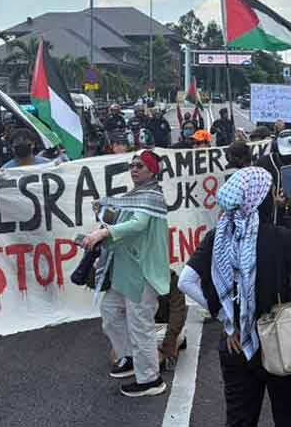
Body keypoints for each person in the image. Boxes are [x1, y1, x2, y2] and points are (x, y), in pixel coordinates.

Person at [178, 167, 291, 426]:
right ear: (261, 200)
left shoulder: (218, 236)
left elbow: (186, 281)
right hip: (280, 339)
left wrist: (228, 319)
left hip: (236, 344)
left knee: (240, 419)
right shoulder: (278, 237)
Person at [81, 150, 171, 397]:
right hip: (124, 272)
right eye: (132, 165)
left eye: (140, 166)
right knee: (110, 313)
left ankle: (150, 379)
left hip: (141, 273)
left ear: (153, 171)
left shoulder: (152, 197)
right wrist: (103, 212)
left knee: (140, 325)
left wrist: (104, 233)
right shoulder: (134, 196)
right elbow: (119, 219)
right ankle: (130, 357)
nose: (134, 169)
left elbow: (138, 224)